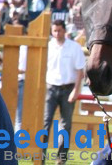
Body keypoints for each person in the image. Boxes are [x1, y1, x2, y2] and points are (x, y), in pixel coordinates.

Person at [43, 19, 85, 164]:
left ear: (64, 30)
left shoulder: (74, 47)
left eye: (59, 30)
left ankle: (61, 158)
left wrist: (76, 90)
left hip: (68, 89)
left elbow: (80, 71)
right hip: (50, 87)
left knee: (65, 124)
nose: (56, 33)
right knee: (45, 122)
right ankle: (41, 155)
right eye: (54, 30)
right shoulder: (48, 46)